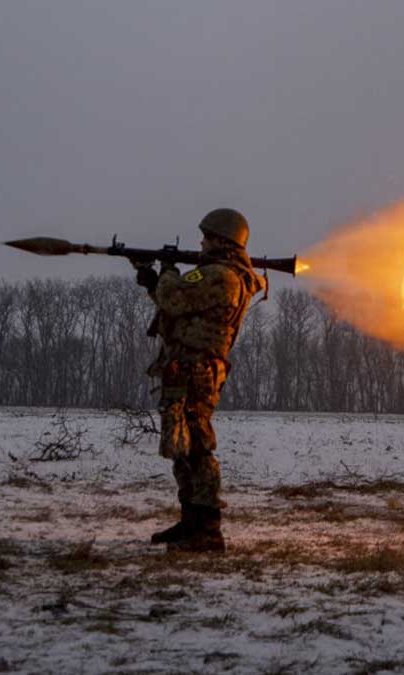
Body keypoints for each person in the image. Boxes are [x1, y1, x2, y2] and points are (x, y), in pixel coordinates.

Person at [133, 208, 266, 552]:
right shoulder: (218, 275)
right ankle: (191, 520)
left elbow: (174, 298)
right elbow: (178, 305)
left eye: (207, 237)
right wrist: (153, 281)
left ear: (222, 240)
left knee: (197, 447)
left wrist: (167, 269)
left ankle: (207, 528)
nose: (202, 243)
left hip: (197, 370)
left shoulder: (221, 276)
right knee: (183, 447)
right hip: (187, 368)